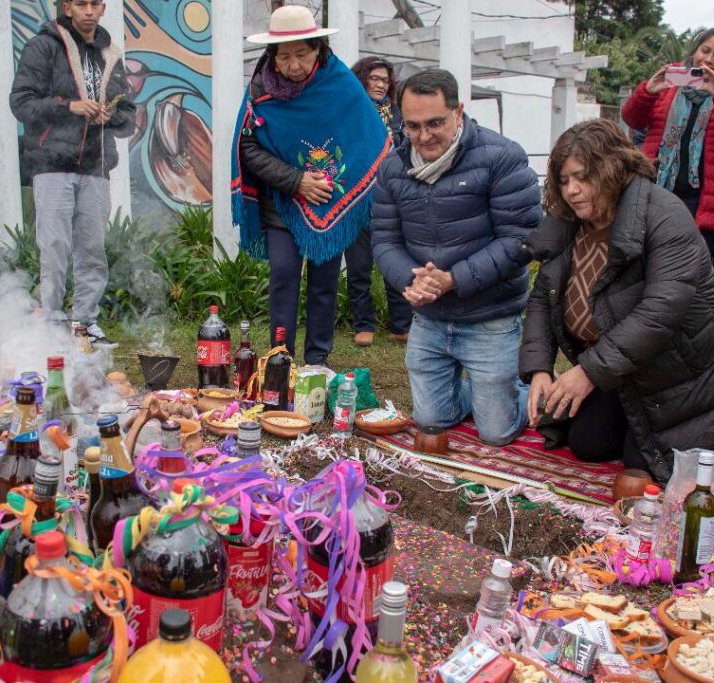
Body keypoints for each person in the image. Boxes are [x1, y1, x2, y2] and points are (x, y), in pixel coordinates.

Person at [519, 119, 714, 481]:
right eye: (564, 181)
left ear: (613, 168)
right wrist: (538, 367)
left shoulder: (665, 215)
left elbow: (661, 311)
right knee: (588, 445)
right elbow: (543, 295)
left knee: (646, 464)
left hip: (684, 372)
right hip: (622, 370)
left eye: (583, 177)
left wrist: (588, 372)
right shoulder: (568, 222)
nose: (572, 190)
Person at [371, 69, 540, 445]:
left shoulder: (502, 156)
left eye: (435, 123)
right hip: (430, 317)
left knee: (496, 433)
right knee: (432, 420)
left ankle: (531, 392)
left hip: (490, 315)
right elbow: (384, 239)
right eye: (412, 126)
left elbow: (521, 239)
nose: (424, 136)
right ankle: (484, 394)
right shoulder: (393, 167)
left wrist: (454, 279)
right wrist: (411, 279)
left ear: (458, 112)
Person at [230, 5, 389, 365]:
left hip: (330, 198)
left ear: (318, 49)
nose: (294, 65)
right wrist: (296, 181)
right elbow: (247, 148)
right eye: (284, 57)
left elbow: (367, 135)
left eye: (302, 54)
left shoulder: (340, 82)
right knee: (283, 276)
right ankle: (280, 359)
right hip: (281, 200)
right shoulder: (259, 88)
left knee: (324, 283)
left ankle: (318, 360)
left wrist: (339, 180)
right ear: (272, 56)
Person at [10, 0, 135, 347]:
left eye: (95, 4)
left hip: (96, 166)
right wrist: (70, 107)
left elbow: (128, 114)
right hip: (52, 164)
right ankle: (51, 324)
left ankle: (85, 323)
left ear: (104, 8)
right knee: (54, 247)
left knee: (92, 248)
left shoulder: (110, 53)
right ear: (67, 7)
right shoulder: (43, 46)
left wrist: (110, 115)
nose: (88, 11)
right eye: (81, 3)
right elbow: (21, 102)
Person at [621, 27, 714, 279]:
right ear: (695, 51)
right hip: (657, 192)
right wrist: (648, 91)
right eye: (705, 50)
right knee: (648, 267)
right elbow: (632, 118)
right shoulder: (670, 83)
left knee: (690, 276)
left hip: (702, 201)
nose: (708, 59)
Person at [344, 57, 413, 346]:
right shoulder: (349, 112)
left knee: (394, 261)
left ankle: (401, 325)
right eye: (374, 78)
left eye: (385, 80)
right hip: (357, 198)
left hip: (391, 198)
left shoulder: (398, 114)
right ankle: (364, 325)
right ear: (361, 80)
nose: (380, 84)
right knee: (359, 265)